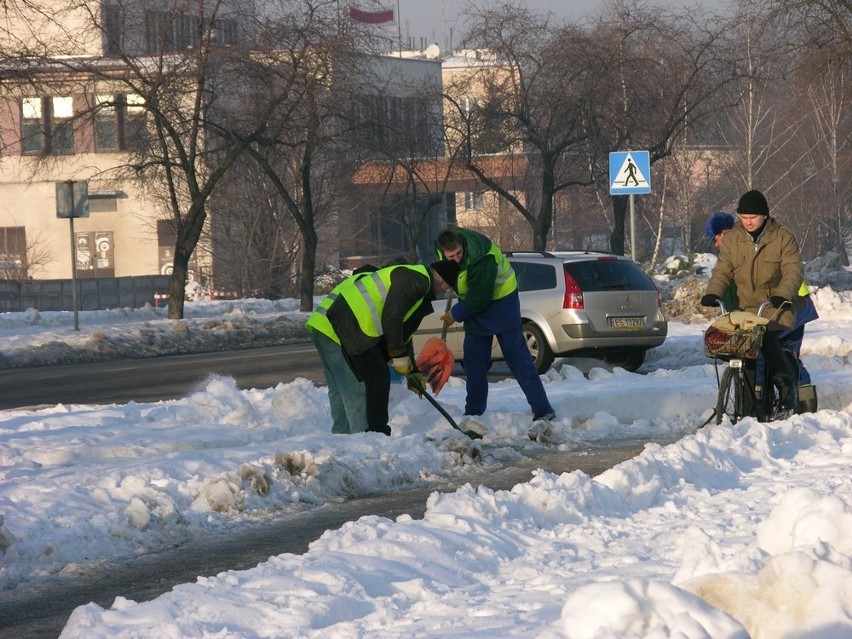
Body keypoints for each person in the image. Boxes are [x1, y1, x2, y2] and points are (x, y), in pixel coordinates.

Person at [309, 261, 458, 436]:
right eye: (448, 288)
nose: (445, 292)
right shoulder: (417, 280)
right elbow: (392, 318)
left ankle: (341, 438)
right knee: (358, 389)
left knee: (340, 390)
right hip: (341, 328)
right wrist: (398, 356)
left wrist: (412, 371)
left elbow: (403, 333)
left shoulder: (411, 280)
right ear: (442, 283)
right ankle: (364, 439)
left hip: (326, 326)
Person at [434, 227, 555, 423]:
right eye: (450, 256)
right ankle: (473, 413)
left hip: (502, 305)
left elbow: (479, 298)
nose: (456, 259)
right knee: (474, 364)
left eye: (458, 253)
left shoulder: (483, 259)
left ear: (462, 245)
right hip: (476, 308)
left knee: (519, 360)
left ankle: (542, 408)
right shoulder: (441, 246)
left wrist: (455, 314)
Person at [700, 189, 804, 410]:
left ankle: (785, 383)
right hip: (745, 309)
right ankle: (746, 404)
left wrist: (782, 295)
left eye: (752, 218)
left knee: (764, 337)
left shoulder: (783, 238)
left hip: (775, 307)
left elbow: (793, 271)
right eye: (743, 218)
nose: (747, 222)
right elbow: (723, 270)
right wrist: (714, 292)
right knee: (737, 344)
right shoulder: (733, 240)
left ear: (765, 215)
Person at [704, 208, 818, 385]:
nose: (716, 245)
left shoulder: (754, 244)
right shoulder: (737, 249)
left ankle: (800, 395)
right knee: (757, 350)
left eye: (715, 239)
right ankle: (758, 401)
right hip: (766, 309)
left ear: (724, 233)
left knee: (780, 354)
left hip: (792, 307)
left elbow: (787, 274)